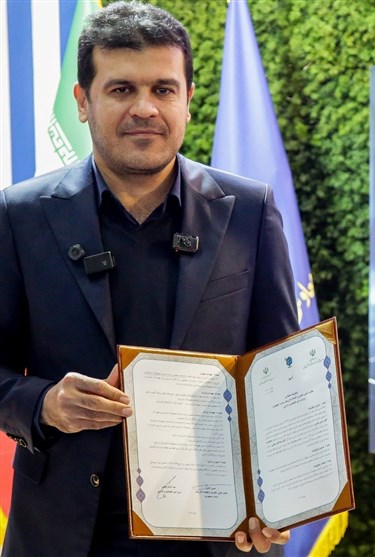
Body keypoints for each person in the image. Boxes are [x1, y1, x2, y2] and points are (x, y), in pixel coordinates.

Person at [0, 2, 299, 556]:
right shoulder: (20, 215)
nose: (145, 108)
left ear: (188, 99)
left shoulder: (250, 211)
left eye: (164, 89)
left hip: (219, 533)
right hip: (65, 533)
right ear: (83, 101)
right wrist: (44, 404)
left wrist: (280, 500)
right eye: (121, 90)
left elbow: (283, 375)